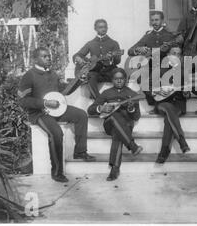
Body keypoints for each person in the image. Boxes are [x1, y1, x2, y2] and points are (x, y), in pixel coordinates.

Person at [18, 47, 95, 183]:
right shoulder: (29, 75)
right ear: (36, 59)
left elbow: (64, 91)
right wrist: (45, 103)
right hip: (39, 113)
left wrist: (79, 80)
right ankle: (57, 172)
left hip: (58, 110)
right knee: (56, 133)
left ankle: (80, 151)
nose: (49, 58)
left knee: (81, 115)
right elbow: (23, 100)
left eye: (49, 56)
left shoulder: (53, 74)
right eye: (45, 56)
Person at [87, 68, 143, 181]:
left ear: (125, 80)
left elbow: (136, 117)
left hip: (126, 126)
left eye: (121, 79)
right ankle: (132, 146)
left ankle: (115, 168)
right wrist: (101, 108)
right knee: (114, 116)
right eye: (116, 79)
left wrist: (131, 108)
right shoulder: (106, 93)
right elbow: (90, 110)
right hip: (109, 124)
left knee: (117, 135)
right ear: (112, 80)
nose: (119, 81)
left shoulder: (132, 94)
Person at [128, 11, 183, 107]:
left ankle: (160, 103)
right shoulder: (147, 36)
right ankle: (154, 102)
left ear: (162, 20)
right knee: (138, 77)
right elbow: (130, 51)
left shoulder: (170, 35)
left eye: (157, 20)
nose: (154, 22)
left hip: (166, 67)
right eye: (152, 20)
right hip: (150, 67)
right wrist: (138, 49)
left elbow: (177, 53)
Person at [152, 45, 190, 163]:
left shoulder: (184, 72)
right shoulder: (159, 70)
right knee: (168, 107)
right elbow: (147, 86)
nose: (176, 56)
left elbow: (189, 93)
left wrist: (186, 93)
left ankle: (164, 151)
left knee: (169, 119)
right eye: (174, 53)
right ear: (168, 55)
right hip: (162, 102)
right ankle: (182, 141)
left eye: (179, 54)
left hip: (178, 104)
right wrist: (157, 90)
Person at [73, 19, 123, 99]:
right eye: (100, 27)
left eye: (105, 27)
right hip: (96, 72)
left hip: (109, 71)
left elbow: (118, 61)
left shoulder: (114, 43)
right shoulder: (90, 43)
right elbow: (78, 54)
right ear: (95, 29)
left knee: (119, 74)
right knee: (90, 76)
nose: (103, 29)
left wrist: (112, 58)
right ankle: (97, 99)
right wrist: (78, 58)